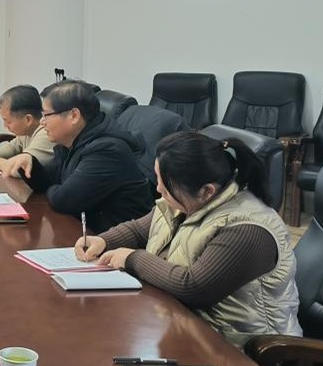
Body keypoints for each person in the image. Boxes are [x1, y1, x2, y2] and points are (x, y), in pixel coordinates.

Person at [75, 131, 302, 347]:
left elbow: (194, 287)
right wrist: (104, 241)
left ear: (207, 191)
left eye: (166, 185)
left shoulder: (248, 229)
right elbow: (139, 230)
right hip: (185, 328)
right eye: (158, 178)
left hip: (238, 349)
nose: (159, 188)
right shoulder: (185, 199)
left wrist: (132, 259)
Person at [12, 80, 154, 232]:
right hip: (84, 231)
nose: (42, 122)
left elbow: (64, 200)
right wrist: (29, 163)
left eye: (47, 115)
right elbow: (49, 180)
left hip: (114, 240)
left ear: (74, 116)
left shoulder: (107, 150)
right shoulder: (72, 142)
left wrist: (55, 189)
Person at [0, 84, 55, 173]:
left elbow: (24, 169)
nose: (5, 126)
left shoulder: (46, 134)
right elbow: (13, 147)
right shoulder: (27, 131)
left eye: (8, 122)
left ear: (28, 119)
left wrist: (3, 163)